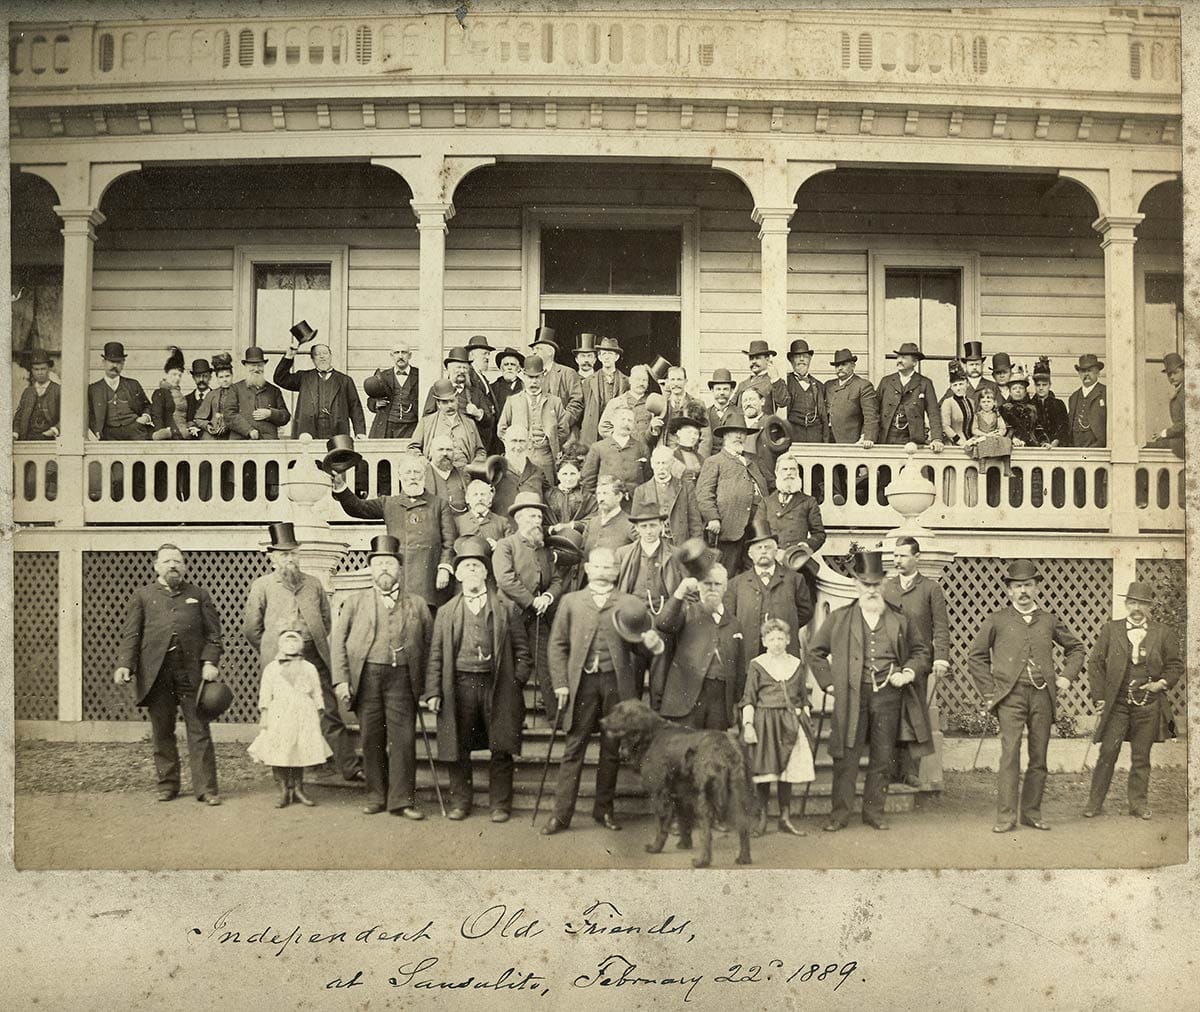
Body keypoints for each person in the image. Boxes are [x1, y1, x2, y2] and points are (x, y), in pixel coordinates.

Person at [540, 547, 665, 835]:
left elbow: (639, 644)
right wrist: (560, 683)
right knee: (574, 748)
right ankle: (561, 815)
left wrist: (652, 643)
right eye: (598, 566)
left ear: (617, 570)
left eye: (610, 567)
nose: (604, 571)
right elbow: (557, 646)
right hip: (581, 684)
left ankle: (604, 810)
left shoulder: (629, 603)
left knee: (611, 750)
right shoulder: (571, 601)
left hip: (615, 684)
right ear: (586, 569)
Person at [808, 550, 931, 832]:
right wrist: (829, 683)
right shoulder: (839, 618)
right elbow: (815, 652)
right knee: (846, 756)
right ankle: (839, 815)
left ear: (884, 583)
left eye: (876, 584)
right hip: (852, 696)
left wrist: (908, 672)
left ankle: (874, 812)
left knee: (883, 755)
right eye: (866, 584)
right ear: (856, 585)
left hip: (889, 695)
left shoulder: (900, 619)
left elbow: (921, 651)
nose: (871, 589)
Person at [967, 559, 1085, 833]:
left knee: (1039, 755)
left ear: (1036, 588)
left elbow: (1076, 648)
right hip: (1010, 697)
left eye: (1028, 585)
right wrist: (989, 692)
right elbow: (977, 657)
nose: (1023, 591)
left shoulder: (1049, 620)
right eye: (1018, 586)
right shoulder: (997, 620)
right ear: (1009, 590)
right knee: (1010, 754)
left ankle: (1031, 813)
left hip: (1042, 696)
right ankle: (1006, 817)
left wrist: (1066, 676)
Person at [423, 536, 532, 822]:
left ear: (486, 573)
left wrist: (514, 682)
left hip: (496, 685)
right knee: (457, 747)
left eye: (476, 566)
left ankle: (500, 805)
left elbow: (523, 652)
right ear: (457, 575)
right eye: (466, 567)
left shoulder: (506, 608)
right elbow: (435, 655)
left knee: (501, 746)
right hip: (458, 685)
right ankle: (461, 802)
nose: (472, 571)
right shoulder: (446, 613)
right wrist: (434, 691)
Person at [242, 522, 361, 783]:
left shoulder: (313, 584)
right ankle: (285, 774)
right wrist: (273, 650)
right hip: (281, 661)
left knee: (328, 710)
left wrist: (310, 641)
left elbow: (326, 621)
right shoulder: (262, 586)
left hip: (315, 655)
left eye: (294, 553)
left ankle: (349, 767)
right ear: (273, 557)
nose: (290, 559)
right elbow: (252, 628)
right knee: (282, 718)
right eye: (284, 554)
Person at [113, 544, 223, 804]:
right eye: (167, 561)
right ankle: (168, 785)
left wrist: (209, 662)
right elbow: (132, 634)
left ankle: (206, 789)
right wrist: (124, 664)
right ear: (156, 566)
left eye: (178, 561)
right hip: (156, 673)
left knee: (199, 729)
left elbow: (213, 635)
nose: (173, 565)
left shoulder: (199, 595)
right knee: (162, 730)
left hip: (191, 672)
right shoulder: (142, 596)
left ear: (184, 566)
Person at [331, 535, 433, 818]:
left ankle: (401, 800)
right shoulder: (354, 603)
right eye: (379, 564)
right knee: (372, 737)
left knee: (403, 740)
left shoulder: (418, 604)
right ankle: (376, 796)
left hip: (402, 677)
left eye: (389, 563)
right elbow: (338, 642)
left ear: (399, 568)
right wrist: (341, 680)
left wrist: (427, 684)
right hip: (366, 677)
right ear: (372, 569)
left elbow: (430, 644)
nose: (385, 568)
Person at [1083, 581, 1183, 821]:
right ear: (1127, 604)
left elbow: (1175, 665)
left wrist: (1161, 684)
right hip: (1117, 704)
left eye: (1143, 604)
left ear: (1150, 607)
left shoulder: (1163, 632)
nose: (1137, 608)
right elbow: (1095, 662)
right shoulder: (1111, 629)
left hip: (1148, 704)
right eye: (1133, 602)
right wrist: (1099, 697)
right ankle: (1094, 803)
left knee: (1141, 757)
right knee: (1108, 752)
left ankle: (1137, 804)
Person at [330, 452, 456, 607]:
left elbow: (449, 541)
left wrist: (444, 568)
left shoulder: (439, 504)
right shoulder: (389, 503)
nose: (412, 477)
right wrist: (341, 487)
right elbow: (358, 508)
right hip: (400, 578)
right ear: (400, 476)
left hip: (430, 578)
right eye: (408, 472)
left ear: (424, 476)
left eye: (417, 472)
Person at [883, 536, 949, 788]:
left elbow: (941, 627)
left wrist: (941, 658)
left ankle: (910, 771)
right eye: (895, 555)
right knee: (890, 714)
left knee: (915, 715)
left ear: (916, 557)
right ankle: (889, 770)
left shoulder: (930, 589)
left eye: (903, 555)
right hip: (891, 661)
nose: (897, 560)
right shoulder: (887, 587)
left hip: (918, 662)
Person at [493, 491, 563, 724]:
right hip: (510, 614)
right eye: (532, 516)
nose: (537, 522)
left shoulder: (544, 548)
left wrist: (547, 598)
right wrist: (531, 601)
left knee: (547, 663)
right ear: (519, 518)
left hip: (539, 616)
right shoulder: (506, 545)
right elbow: (505, 579)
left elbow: (556, 580)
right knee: (512, 668)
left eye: (539, 517)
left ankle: (556, 718)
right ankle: (512, 719)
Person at [741, 617, 813, 837]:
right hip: (765, 722)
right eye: (771, 638)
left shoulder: (797, 664)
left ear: (788, 639)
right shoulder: (757, 665)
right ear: (764, 641)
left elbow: (802, 696)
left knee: (787, 773)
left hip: (790, 723)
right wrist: (748, 724)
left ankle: (785, 817)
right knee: (765, 770)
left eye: (781, 638)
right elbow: (749, 698)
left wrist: (805, 717)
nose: (776, 643)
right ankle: (762, 818)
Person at [652, 562, 745, 730]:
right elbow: (663, 624)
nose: (712, 588)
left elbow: (739, 667)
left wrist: (737, 704)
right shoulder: (687, 611)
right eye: (707, 583)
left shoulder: (734, 623)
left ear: (725, 588)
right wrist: (680, 593)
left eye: (717, 584)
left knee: (712, 750)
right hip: (688, 696)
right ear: (698, 586)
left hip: (720, 699)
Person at [247, 627, 330, 809]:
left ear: (301, 645)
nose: (290, 645)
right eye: (287, 641)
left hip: (303, 712)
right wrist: (265, 713)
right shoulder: (272, 668)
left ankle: (299, 789)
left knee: (298, 749)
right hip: (280, 713)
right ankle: (284, 790)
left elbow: (317, 690)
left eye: (294, 641)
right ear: (280, 644)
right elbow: (265, 693)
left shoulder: (308, 667)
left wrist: (318, 710)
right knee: (280, 750)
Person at [727, 517, 814, 659]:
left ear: (776, 552)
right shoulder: (736, 584)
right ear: (750, 554)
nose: (763, 551)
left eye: (767, 547)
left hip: (783, 649)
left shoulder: (795, 580)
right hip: (748, 651)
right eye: (758, 548)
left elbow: (805, 612)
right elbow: (730, 618)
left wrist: (785, 623)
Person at [696, 420, 769, 576]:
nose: (739, 436)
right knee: (724, 574)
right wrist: (712, 518)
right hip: (728, 528)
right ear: (724, 436)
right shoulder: (714, 461)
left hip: (756, 530)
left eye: (742, 433)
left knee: (753, 575)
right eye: (734, 432)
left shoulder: (753, 461)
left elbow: (769, 485)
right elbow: (703, 494)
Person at [274, 337, 366, 440]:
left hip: (337, 432)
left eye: (325, 353)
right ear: (313, 359)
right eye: (317, 354)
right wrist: (289, 356)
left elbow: (355, 407)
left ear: (331, 356)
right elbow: (279, 378)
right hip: (308, 433)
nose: (322, 357)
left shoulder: (345, 380)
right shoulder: (304, 378)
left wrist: (360, 432)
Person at [497, 354, 570, 483]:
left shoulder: (554, 401)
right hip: (520, 458)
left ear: (543, 377)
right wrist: (515, 446)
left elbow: (563, 430)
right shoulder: (513, 401)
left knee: (547, 494)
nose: (534, 382)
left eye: (537, 377)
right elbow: (502, 430)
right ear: (524, 376)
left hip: (545, 458)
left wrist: (549, 441)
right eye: (530, 377)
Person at [764, 454, 825, 600]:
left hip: (798, 562)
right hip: (773, 561)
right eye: (785, 469)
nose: (789, 473)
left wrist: (806, 545)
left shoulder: (808, 502)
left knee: (800, 606)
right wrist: (773, 551)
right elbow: (758, 532)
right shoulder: (766, 502)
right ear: (777, 473)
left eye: (793, 469)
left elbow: (819, 534)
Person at [614, 501, 683, 617]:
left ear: (661, 525)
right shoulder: (623, 553)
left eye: (653, 525)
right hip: (631, 616)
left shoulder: (676, 554)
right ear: (636, 528)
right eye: (644, 526)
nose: (649, 531)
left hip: (665, 616)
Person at [876, 342, 945, 450]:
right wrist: (869, 436)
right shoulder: (886, 381)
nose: (899, 360)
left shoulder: (924, 383)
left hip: (912, 440)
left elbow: (933, 413)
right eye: (898, 357)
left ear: (914, 362)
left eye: (903, 358)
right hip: (886, 439)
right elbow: (874, 410)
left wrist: (936, 439)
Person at [631, 444, 702, 546]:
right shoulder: (641, 491)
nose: (661, 467)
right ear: (652, 464)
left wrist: (694, 548)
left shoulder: (685, 488)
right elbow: (635, 527)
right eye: (657, 463)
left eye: (664, 463)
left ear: (672, 463)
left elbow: (695, 524)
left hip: (679, 545)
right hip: (652, 545)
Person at [410, 378, 486, 469]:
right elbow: (412, 449)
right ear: (438, 404)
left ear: (457, 399)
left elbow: (480, 451)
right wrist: (426, 465)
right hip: (436, 471)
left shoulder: (469, 423)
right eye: (445, 402)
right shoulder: (427, 422)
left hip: (464, 472)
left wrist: (474, 466)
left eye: (452, 401)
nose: (450, 406)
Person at [581, 403, 651, 501]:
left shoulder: (642, 448)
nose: (626, 423)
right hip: (607, 503)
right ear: (613, 422)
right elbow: (588, 480)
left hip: (634, 504)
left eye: (629, 420)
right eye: (622, 419)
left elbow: (648, 479)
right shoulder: (598, 447)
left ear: (634, 424)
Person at [88, 341, 152, 441]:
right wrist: (96, 430)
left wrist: (145, 418)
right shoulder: (94, 389)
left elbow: (147, 405)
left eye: (118, 362)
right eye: (111, 361)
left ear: (123, 364)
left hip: (135, 430)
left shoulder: (133, 384)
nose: (114, 366)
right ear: (103, 362)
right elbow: (90, 414)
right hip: (109, 434)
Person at [529, 326, 585, 439]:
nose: (534, 352)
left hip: (563, 436)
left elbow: (576, 403)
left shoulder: (567, 373)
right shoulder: (530, 376)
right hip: (536, 435)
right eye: (533, 349)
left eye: (538, 348)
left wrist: (561, 424)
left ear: (550, 352)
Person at [772, 339, 829, 444]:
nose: (802, 360)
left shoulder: (819, 385)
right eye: (798, 357)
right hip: (793, 435)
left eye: (805, 356)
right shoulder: (785, 383)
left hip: (815, 437)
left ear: (810, 360)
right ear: (791, 360)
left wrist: (825, 441)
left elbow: (824, 417)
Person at [229, 347, 291, 440]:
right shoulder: (235, 388)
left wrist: (270, 413)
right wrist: (248, 430)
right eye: (252, 366)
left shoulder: (274, 390)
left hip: (268, 442)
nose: (256, 369)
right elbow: (229, 415)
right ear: (246, 366)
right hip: (241, 441)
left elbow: (285, 416)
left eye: (259, 365)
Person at [492, 424, 552, 516]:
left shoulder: (538, 472)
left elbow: (550, 498)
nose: (518, 446)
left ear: (529, 442)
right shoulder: (493, 470)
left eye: (522, 441)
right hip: (503, 528)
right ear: (504, 441)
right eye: (514, 441)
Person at [364, 341, 420, 439]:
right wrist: (376, 403)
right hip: (387, 425)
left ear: (410, 355)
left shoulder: (419, 374)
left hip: (412, 425)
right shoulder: (382, 376)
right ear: (391, 356)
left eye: (404, 352)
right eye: (397, 353)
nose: (400, 356)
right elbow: (370, 400)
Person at [580, 336, 629, 445]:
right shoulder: (589, 381)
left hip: (614, 431)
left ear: (616, 357)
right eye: (603, 354)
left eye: (610, 354)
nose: (607, 357)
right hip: (593, 433)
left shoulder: (626, 381)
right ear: (600, 357)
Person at [598, 364, 660, 440]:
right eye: (637, 379)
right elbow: (604, 427)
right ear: (630, 380)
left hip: (646, 449)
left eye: (644, 380)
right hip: (623, 450)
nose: (641, 383)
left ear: (648, 383)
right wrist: (620, 439)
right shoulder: (616, 402)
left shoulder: (653, 403)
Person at [581, 473, 638, 555]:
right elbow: (582, 554)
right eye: (599, 494)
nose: (601, 498)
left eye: (605, 493)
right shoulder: (592, 523)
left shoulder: (631, 525)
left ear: (618, 496)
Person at [13, 348, 61, 441]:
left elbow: (66, 417)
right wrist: (15, 434)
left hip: (50, 440)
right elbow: (18, 417)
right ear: (32, 370)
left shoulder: (58, 390)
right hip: (27, 439)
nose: (40, 372)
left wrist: (53, 431)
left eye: (43, 369)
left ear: (49, 369)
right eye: (36, 369)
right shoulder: (27, 392)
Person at [463, 334, 501, 452]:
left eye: (488, 354)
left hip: (488, 434)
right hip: (478, 434)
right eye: (484, 353)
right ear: (472, 355)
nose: (487, 357)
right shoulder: (468, 375)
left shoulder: (482, 376)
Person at [737, 386, 778, 493]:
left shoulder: (772, 423)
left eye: (752, 399)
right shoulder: (735, 424)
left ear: (762, 401)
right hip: (739, 483)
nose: (748, 403)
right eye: (745, 401)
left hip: (766, 483)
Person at [1148, 351, 1185, 459]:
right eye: (1169, 374)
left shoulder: (1186, 392)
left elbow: (1186, 423)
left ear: (1184, 371)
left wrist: (1165, 433)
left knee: (1150, 449)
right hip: (1181, 441)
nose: (1172, 377)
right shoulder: (1180, 391)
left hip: (1188, 444)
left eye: (1176, 372)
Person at [454, 479, 513, 546]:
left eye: (483, 494)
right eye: (475, 495)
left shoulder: (502, 522)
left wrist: (498, 546)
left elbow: (512, 547)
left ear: (490, 498)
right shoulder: (458, 522)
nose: (479, 499)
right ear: (467, 499)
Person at [193, 353, 238, 439]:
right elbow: (198, 419)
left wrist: (228, 425)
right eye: (221, 377)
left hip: (233, 433)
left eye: (227, 376)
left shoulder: (238, 392)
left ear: (232, 376)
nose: (225, 380)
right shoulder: (212, 394)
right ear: (217, 378)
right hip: (213, 434)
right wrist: (208, 426)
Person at [150, 346, 191, 441]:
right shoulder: (160, 393)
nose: (177, 378)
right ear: (166, 374)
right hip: (171, 435)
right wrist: (162, 434)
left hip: (184, 433)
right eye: (174, 374)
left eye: (179, 375)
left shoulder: (179, 394)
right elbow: (157, 416)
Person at [546, 450, 593, 531]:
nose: (568, 479)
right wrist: (550, 529)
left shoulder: (586, 495)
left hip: (580, 538)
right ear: (558, 475)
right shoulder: (548, 495)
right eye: (564, 474)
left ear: (579, 474)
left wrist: (573, 525)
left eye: (572, 474)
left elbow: (595, 518)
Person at [659, 365, 706, 446]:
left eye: (679, 379)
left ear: (685, 381)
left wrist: (698, 457)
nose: (676, 384)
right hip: (666, 454)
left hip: (689, 454)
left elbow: (706, 438)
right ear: (668, 382)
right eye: (672, 380)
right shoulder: (661, 404)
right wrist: (652, 428)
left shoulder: (697, 404)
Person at [703, 368, 745, 457]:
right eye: (718, 389)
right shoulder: (705, 414)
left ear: (731, 391)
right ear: (712, 390)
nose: (722, 392)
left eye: (725, 389)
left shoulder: (740, 413)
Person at [1030, 356, 1069, 448]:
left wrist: (1055, 442)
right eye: (1038, 385)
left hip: (1056, 447)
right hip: (1035, 447)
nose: (1041, 388)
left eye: (1044, 385)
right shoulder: (1030, 405)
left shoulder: (1058, 404)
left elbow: (1063, 426)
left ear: (1050, 385)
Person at [424, 435, 470, 513]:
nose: (445, 453)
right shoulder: (421, 475)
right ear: (431, 452)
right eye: (440, 449)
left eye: (449, 450)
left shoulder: (463, 476)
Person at [733, 339, 780, 414]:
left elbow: (783, 402)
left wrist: (776, 380)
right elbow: (732, 406)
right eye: (751, 358)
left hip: (763, 424)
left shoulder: (772, 382)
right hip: (742, 425)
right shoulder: (742, 384)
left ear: (767, 359)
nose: (753, 361)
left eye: (758, 358)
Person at [999, 366, 1038, 447]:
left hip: (1032, 445)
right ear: (1010, 392)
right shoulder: (1004, 409)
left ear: (1025, 392)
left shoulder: (1032, 408)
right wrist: (1013, 438)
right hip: (1013, 444)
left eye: (1021, 388)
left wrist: (1044, 441)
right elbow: (1005, 428)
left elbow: (1038, 428)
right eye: (1014, 388)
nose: (1018, 391)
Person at [939, 360, 975, 447]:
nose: (958, 388)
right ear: (951, 387)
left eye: (961, 384)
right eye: (955, 385)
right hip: (954, 443)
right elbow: (945, 426)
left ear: (967, 384)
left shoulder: (971, 402)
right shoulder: (948, 402)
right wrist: (961, 442)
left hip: (971, 441)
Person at [490, 346, 524, 431]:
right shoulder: (492, 389)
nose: (509, 367)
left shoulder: (525, 388)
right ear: (501, 368)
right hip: (498, 437)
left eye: (512, 364)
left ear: (519, 368)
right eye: (506, 364)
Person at [666, 416, 706, 485]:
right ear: (678, 433)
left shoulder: (701, 458)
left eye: (696, 433)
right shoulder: (670, 456)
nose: (693, 436)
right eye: (689, 432)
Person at [961, 341, 1001, 409]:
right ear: (965, 366)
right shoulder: (958, 386)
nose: (974, 367)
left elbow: (1000, 408)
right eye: (971, 364)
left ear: (982, 366)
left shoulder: (993, 386)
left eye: (977, 364)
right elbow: (942, 407)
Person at [184, 358, 212, 436]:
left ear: (210, 377)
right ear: (193, 378)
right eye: (198, 376)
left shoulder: (216, 398)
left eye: (205, 376)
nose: (201, 379)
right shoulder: (185, 400)